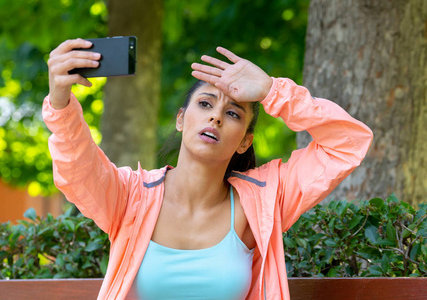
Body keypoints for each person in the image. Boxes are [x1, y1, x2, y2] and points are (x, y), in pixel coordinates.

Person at [43, 38, 373, 300]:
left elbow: (346, 144)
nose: (215, 116)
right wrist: (60, 101)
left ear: (245, 141)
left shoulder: (262, 201)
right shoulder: (130, 197)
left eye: (233, 113)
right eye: (205, 103)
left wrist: (274, 92)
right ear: (181, 119)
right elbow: (79, 170)